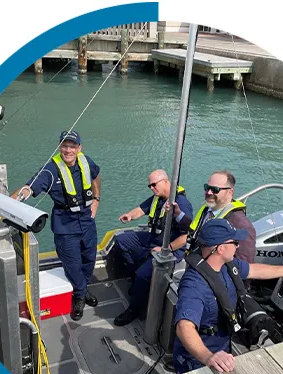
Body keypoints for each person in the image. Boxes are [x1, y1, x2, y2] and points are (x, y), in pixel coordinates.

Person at [173, 218, 283, 374]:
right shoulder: (194, 285)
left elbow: (254, 270)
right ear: (221, 249)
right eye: (235, 242)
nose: (238, 245)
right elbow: (184, 326)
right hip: (196, 359)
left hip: (222, 345)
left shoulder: (227, 265)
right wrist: (209, 357)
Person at [11, 129, 101, 321]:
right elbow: (30, 188)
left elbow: (96, 176)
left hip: (87, 220)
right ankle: (79, 296)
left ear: (79, 148)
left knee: (89, 259)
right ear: (60, 147)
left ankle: (82, 290)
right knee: (73, 264)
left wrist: (97, 199)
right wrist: (13, 201)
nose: (68, 150)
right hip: (65, 224)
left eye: (72, 146)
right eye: (64, 146)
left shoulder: (86, 162)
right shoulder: (50, 170)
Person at [113, 169, 193, 326]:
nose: (151, 188)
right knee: (121, 241)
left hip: (169, 248)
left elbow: (186, 236)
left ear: (165, 181)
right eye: (149, 185)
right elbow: (141, 209)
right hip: (152, 239)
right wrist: (129, 215)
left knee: (143, 275)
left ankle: (134, 309)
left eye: (154, 185)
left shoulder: (181, 203)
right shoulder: (158, 198)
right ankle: (136, 275)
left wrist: (167, 248)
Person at [170, 170, 256, 263]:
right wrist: (178, 214)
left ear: (230, 192)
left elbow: (245, 264)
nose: (209, 192)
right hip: (194, 265)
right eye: (207, 187)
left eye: (215, 189)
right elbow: (196, 231)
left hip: (211, 275)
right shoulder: (207, 210)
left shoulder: (240, 223)